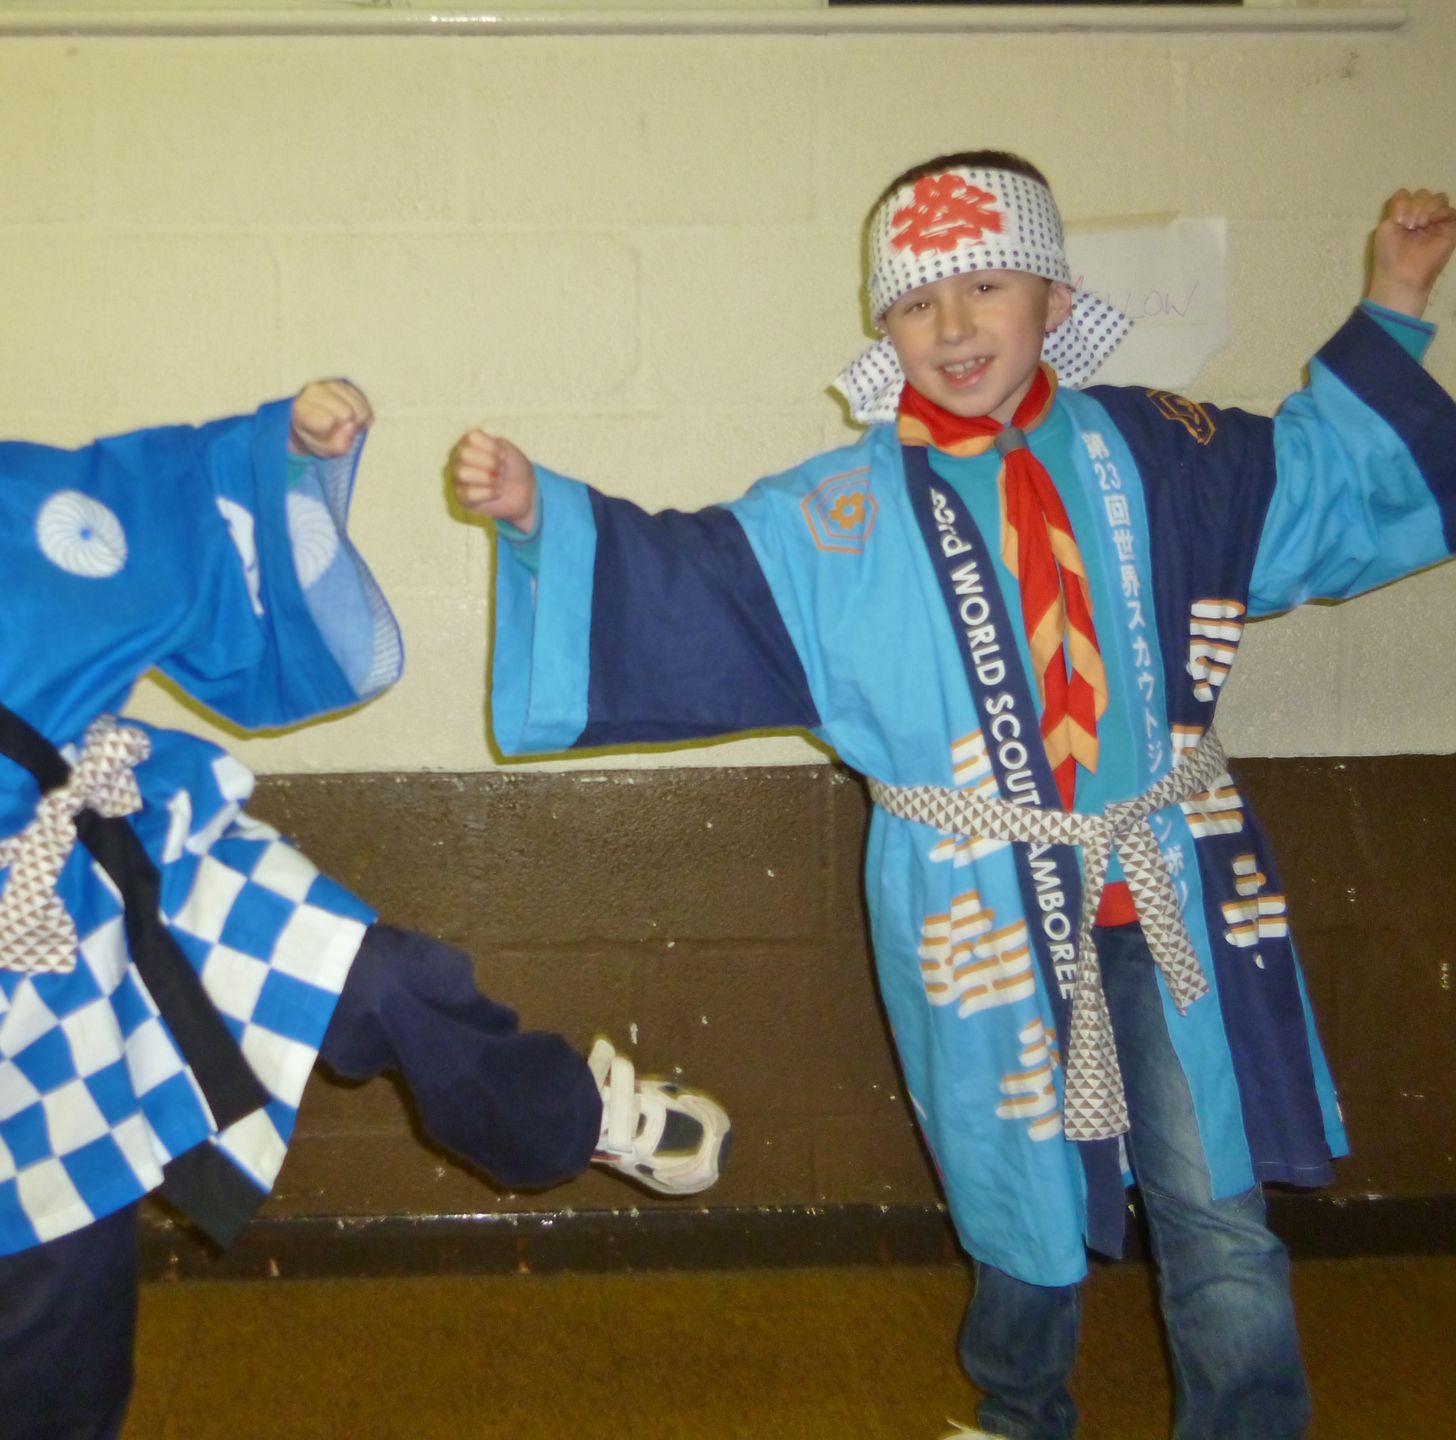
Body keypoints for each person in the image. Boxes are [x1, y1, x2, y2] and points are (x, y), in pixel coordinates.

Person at [0, 168, 731, 1440]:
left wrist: (282, 455)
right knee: (50, 1282)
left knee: (385, 980)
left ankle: (561, 1115)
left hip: (139, 844)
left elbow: (169, 497)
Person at [448, 151, 1455, 1440]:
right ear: (885, 329)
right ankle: (1020, 1410)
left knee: (1216, 1200)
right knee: (1014, 1197)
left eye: (987, 286)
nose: (956, 326)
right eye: (919, 302)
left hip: (1162, 884)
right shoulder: (838, 514)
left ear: (1052, 296)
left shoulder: (1166, 452)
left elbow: (1324, 477)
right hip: (971, 894)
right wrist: (546, 520)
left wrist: (1395, 297)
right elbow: (688, 578)